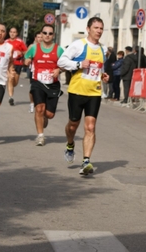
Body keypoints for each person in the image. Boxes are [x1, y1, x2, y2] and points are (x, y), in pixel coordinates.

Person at [57, 17, 109, 175]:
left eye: (101, 28)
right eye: (96, 28)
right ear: (88, 29)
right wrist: (78, 64)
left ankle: (86, 161)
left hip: (94, 93)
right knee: (73, 125)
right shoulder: (78, 45)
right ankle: (70, 143)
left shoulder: (103, 49)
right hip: (77, 91)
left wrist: (103, 76)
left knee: (90, 127)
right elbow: (61, 62)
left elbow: (97, 70)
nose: (99, 31)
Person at [24, 25, 64, 146]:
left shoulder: (59, 50)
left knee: (49, 114)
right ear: (41, 34)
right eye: (45, 33)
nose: (47, 35)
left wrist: (59, 70)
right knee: (39, 108)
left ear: (53, 35)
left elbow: (67, 64)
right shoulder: (34, 48)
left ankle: (44, 117)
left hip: (53, 84)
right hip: (38, 82)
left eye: (50, 33)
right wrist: (27, 61)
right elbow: (27, 57)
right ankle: (40, 136)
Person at [5, 27, 28, 106]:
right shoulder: (6, 42)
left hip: (18, 63)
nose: (12, 33)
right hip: (9, 64)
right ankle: (10, 97)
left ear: (17, 33)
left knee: (15, 82)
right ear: (9, 33)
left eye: (14, 32)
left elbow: (26, 52)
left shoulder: (20, 42)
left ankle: (11, 87)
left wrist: (20, 52)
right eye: (11, 32)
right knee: (10, 78)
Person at [27, 31, 43, 113]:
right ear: (35, 38)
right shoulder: (32, 47)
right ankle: (32, 104)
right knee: (33, 89)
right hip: (33, 71)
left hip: (43, 72)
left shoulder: (46, 47)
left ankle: (41, 104)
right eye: (38, 37)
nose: (40, 39)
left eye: (41, 37)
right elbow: (26, 58)